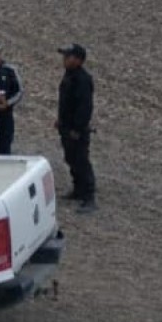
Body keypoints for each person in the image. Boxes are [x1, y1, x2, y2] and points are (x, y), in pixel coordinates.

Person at [55, 43, 96, 213]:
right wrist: (60, 120)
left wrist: (77, 129)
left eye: (68, 56)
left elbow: (84, 107)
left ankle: (89, 197)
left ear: (78, 60)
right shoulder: (69, 75)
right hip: (66, 126)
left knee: (81, 160)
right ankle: (78, 189)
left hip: (76, 130)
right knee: (71, 158)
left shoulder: (82, 79)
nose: (64, 59)